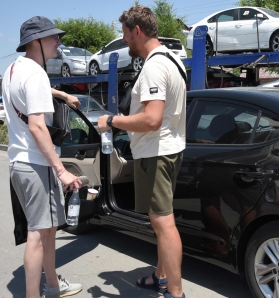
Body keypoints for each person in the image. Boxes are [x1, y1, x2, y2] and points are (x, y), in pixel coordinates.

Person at [97, 5, 186, 298]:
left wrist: (111, 120)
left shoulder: (153, 67)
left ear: (137, 31)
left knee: (163, 224)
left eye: (124, 34)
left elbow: (151, 119)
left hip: (155, 153)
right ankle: (161, 277)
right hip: (171, 149)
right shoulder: (173, 60)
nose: (123, 40)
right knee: (164, 221)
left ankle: (174, 292)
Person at [2, 16, 83, 298]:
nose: (58, 42)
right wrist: (61, 170)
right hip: (37, 165)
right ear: (35, 42)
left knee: (46, 232)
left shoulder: (13, 69)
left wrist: (60, 93)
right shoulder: (36, 73)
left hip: (19, 164)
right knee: (38, 237)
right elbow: (37, 125)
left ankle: (52, 285)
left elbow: (32, 92)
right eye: (53, 37)